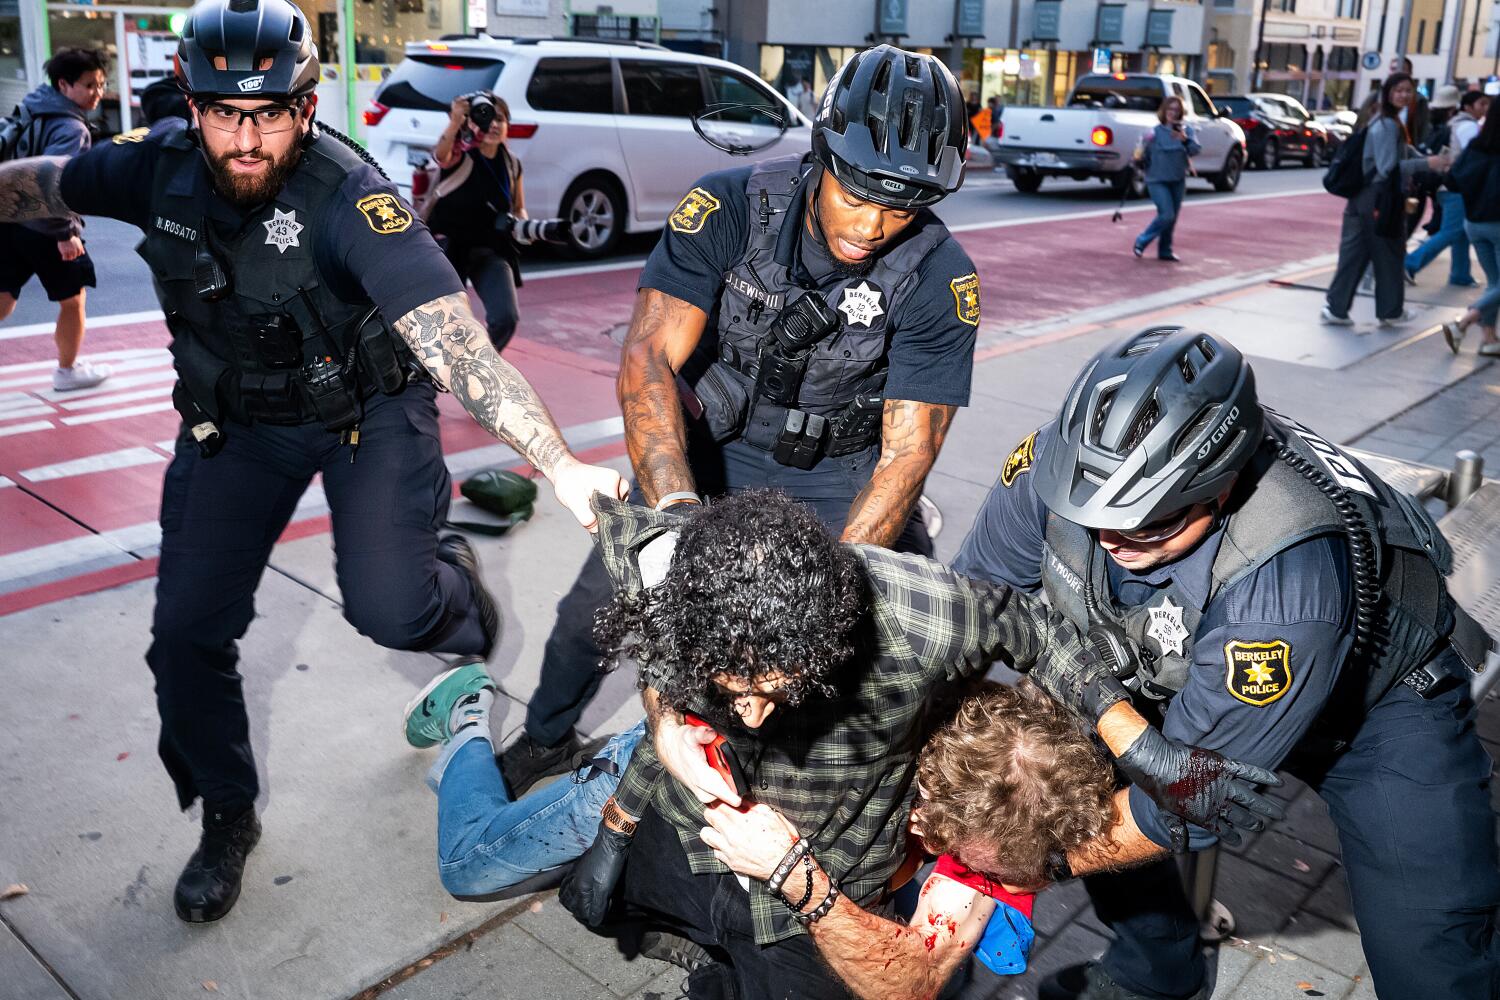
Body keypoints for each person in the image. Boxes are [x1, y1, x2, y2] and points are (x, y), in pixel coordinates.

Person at [0, 0, 627, 925]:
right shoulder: (156, 169)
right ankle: (227, 812)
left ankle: (446, 581)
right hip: (235, 425)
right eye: (223, 113)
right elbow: (40, 181)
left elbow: (454, 340)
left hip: (365, 409)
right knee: (184, 638)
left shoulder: (348, 197)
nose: (246, 138)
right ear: (190, 105)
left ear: (304, 107)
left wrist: (561, 464)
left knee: (393, 607)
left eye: (270, 114)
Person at [547, 489, 1280, 999]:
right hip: (666, 818)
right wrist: (645, 767)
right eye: (736, 686)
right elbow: (658, 647)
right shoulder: (679, 576)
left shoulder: (928, 627)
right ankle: (469, 729)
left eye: (775, 686)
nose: (754, 714)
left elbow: (1032, 629)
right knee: (474, 863)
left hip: (790, 890)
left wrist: (1140, 745)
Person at [955, 326, 1498, 1000]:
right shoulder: (1064, 468)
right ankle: (1160, 972)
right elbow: (974, 613)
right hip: (1169, 663)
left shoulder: (1286, 589)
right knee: (1056, 782)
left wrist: (1019, 864)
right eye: (1091, 515)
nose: (1111, 540)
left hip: (1375, 712)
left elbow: (1174, 813)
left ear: (1222, 487)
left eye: (1149, 524)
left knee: (1431, 954)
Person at [499, 44, 986, 796]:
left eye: (903, 205)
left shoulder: (940, 277)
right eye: (857, 195)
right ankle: (544, 737)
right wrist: (671, 518)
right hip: (713, 458)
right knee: (596, 612)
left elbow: (909, 451)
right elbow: (649, 362)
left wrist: (830, 585)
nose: (875, 224)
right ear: (822, 155)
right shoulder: (726, 208)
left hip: (841, 476)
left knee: (881, 653)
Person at [403, 665, 1110, 997]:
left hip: (744, 872)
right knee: (467, 868)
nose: (989, 878)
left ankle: (711, 955)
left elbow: (913, 978)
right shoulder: (841, 712)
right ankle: (466, 721)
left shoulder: (1006, 809)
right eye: (980, 863)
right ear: (932, 810)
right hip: (647, 787)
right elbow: (671, 674)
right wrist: (616, 824)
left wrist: (803, 885)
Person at [0, 48, 111, 391]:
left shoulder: (29, 108)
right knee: (73, 299)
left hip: (7, 220)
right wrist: (66, 233)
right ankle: (67, 371)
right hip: (46, 226)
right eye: (89, 85)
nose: (98, 93)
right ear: (64, 85)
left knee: (3, 297)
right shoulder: (70, 127)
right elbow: (57, 183)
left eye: (101, 84)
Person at [1322, 73, 1447, 327]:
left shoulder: (1382, 120)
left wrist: (1420, 157)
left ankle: (1336, 308)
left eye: (1408, 91)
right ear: (1388, 93)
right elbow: (1389, 167)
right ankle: (1390, 311)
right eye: (1398, 90)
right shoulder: (1388, 124)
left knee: (1353, 254)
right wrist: (1428, 163)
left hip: (1361, 197)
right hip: (1380, 198)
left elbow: (1399, 153)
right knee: (1390, 252)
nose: (1403, 95)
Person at [425, 91, 525, 352]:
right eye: (487, 118)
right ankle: (426, 371)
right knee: (444, 320)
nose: (493, 124)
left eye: (500, 119)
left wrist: (525, 226)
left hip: (491, 249)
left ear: (507, 126)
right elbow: (441, 155)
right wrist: (456, 120)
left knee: (506, 318)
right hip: (450, 248)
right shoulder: (461, 153)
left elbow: (519, 207)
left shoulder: (512, 164)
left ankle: (482, 364)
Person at [1405, 87, 1482, 286]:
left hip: (1444, 187)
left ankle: (1460, 274)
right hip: (1458, 188)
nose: (1485, 108)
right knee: (1452, 231)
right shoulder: (1467, 127)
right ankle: (1410, 263)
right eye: (1482, 104)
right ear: (1464, 106)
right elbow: (1474, 157)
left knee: (1460, 232)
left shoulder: (1447, 125)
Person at [1443, 103, 1500, 356]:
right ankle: (1464, 322)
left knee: (1494, 283)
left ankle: (1489, 340)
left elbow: (1452, 180)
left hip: (1473, 223)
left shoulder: (1476, 146)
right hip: (1498, 224)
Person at [1132, 95, 1199, 262]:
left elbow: (1195, 150)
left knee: (1172, 218)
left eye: (1177, 110)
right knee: (1166, 215)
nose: (1173, 113)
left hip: (1177, 179)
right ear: (1164, 110)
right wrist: (1138, 159)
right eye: (1170, 109)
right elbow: (1140, 154)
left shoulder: (1186, 131)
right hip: (1157, 179)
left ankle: (1165, 250)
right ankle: (1142, 241)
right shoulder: (1153, 133)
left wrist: (1184, 140)